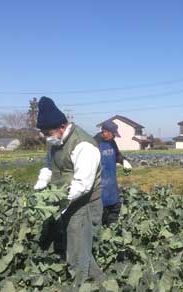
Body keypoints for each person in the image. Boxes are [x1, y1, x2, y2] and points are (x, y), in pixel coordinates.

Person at [33, 96, 104, 282]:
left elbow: (83, 185)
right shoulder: (56, 142)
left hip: (84, 203)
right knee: (79, 247)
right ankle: (101, 286)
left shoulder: (83, 145)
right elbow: (50, 165)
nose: (46, 137)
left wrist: (57, 199)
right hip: (68, 201)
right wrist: (42, 182)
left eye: (48, 133)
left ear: (62, 127)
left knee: (77, 252)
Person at [93, 120, 132, 226]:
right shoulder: (93, 144)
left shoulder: (112, 142)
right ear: (104, 132)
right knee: (99, 217)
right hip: (98, 186)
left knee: (114, 213)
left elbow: (117, 155)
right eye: (113, 134)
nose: (114, 137)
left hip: (111, 185)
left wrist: (124, 161)